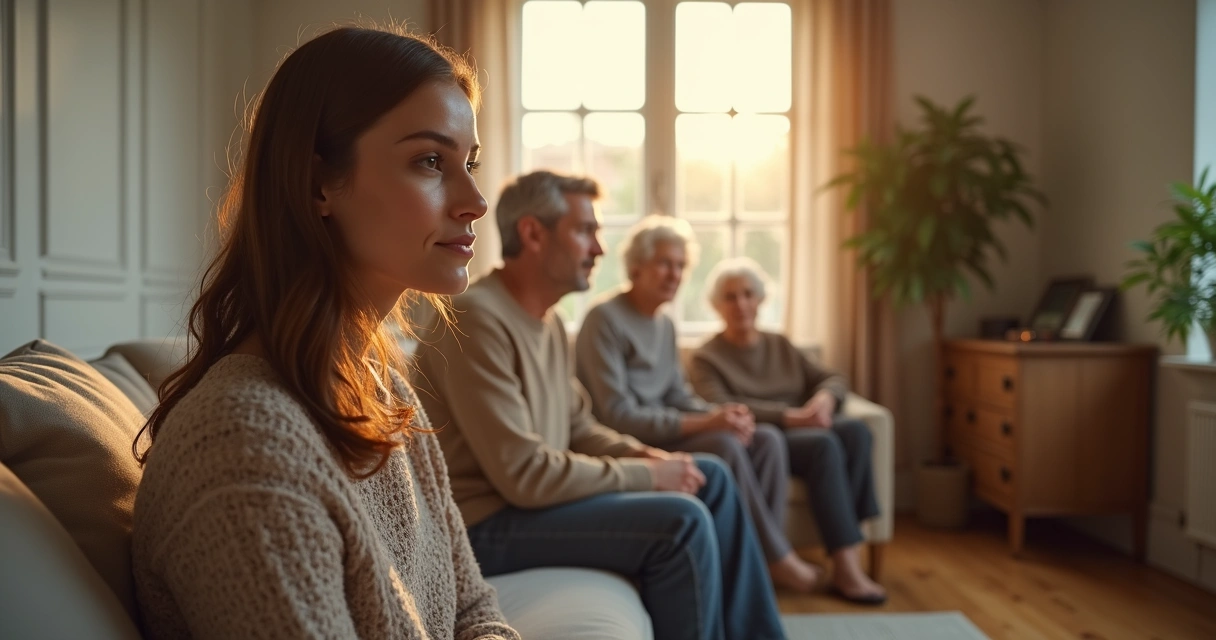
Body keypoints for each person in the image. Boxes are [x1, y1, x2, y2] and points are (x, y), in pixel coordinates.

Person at [130, 26, 519, 639]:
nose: (475, 200)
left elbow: (474, 612)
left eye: (468, 163)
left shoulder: (383, 389)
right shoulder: (244, 441)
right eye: (429, 161)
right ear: (318, 184)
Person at [410, 170, 786, 640]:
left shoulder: (545, 323)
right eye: (585, 230)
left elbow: (577, 426)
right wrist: (649, 476)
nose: (599, 249)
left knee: (712, 476)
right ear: (532, 233)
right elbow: (524, 476)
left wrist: (647, 456)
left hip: (523, 507)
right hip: (482, 524)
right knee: (681, 524)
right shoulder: (476, 319)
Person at [573, 215, 822, 593]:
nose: (674, 274)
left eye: (680, 265)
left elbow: (677, 395)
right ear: (636, 267)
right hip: (631, 440)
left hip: (668, 428)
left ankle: (757, 561)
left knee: (766, 437)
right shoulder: (603, 319)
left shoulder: (664, 324)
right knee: (723, 445)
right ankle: (774, 558)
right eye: (664, 263)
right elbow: (617, 416)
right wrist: (708, 426)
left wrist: (721, 415)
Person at [688, 257, 887, 605]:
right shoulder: (707, 357)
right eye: (731, 297)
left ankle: (849, 550)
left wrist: (824, 400)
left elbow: (832, 377)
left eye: (748, 294)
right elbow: (721, 406)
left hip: (805, 424)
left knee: (856, 431)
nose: (741, 304)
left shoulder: (779, 344)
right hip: (765, 437)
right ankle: (845, 565)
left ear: (761, 299)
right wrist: (791, 417)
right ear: (717, 305)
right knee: (824, 444)